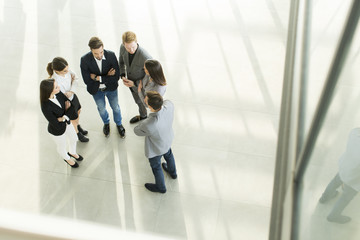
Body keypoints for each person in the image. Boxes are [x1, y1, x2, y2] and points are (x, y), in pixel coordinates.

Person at [80, 37, 125, 138]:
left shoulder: (111, 55)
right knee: (101, 109)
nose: (99, 55)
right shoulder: (84, 60)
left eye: (101, 52)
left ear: (103, 47)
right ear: (91, 50)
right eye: (96, 53)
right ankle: (106, 123)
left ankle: (119, 124)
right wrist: (107, 76)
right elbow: (87, 80)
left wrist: (97, 78)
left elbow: (116, 76)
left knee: (115, 108)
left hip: (111, 88)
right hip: (97, 91)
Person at [134, 91, 177, 193]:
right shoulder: (169, 105)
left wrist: (142, 123)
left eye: (146, 100)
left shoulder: (150, 123)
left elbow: (137, 131)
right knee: (169, 155)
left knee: (156, 166)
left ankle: (161, 187)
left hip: (156, 148)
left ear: (150, 107)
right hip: (168, 139)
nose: (144, 99)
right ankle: (173, 173)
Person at [319, 128, 360, 223]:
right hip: (355, 179)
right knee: (346, 197)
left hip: (345, 167)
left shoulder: (355, 133)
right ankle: (334, 216)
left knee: (335, 181)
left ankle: (324, 198)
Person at [40, 79, 84, 168]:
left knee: (74, 138)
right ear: (50, 91)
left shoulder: (58, 93)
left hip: (66, 123)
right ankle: (67, 158)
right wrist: (66, 111)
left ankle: (72, 152)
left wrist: (64, 117)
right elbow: (55, 123)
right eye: (56, 87)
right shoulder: (45, 106)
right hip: (57, 130)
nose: (59, 87)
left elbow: (72, 106)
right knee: (62, 146)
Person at [47, 57, 89, 142]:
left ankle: (77, 126)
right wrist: (70, 89)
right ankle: (77, 133)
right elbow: (60, 95)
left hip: (72, 95)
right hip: (66, 102)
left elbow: (76, 78)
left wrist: (71, 91)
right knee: (73, 119)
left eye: (67, 68)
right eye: (65, 71)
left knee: (78, 111)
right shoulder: (55, 81)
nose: (68, 71)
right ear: (57, 71)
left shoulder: (67, 69)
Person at [119, 31, 152, 124]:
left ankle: (148, 120)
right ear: (123, 44)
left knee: (144, 102)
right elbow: (121, 62)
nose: (131, 50)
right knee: (138, 101)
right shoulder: (122, 48)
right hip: (131, 84)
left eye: (133, 47)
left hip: (142, 85)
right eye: (128, 48)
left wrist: (136, 84)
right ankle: (143, 116)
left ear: (137, 42)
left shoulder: (145, 56)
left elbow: (151, 76)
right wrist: (122, 75)